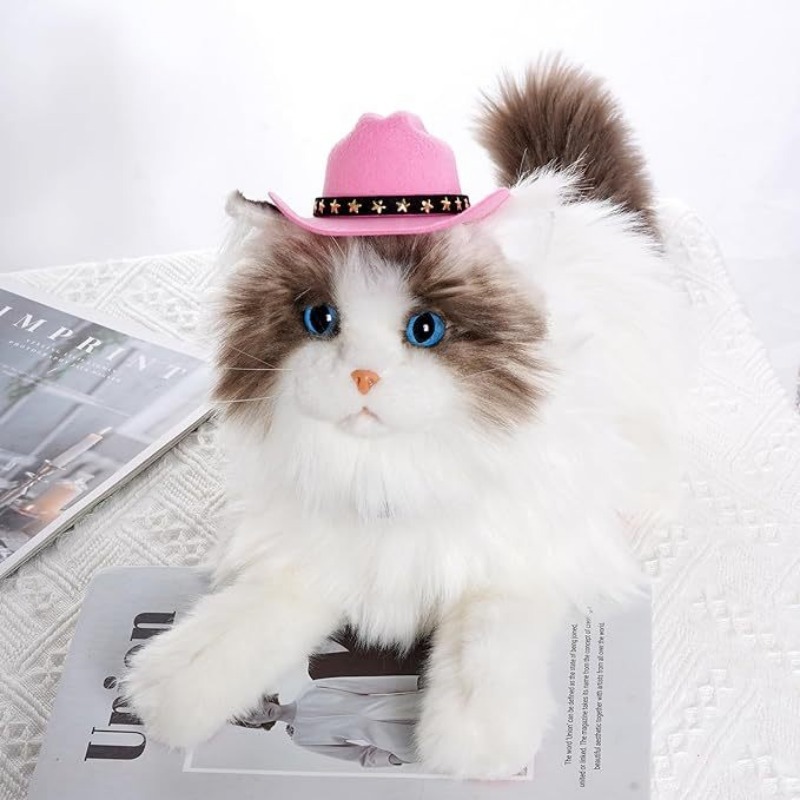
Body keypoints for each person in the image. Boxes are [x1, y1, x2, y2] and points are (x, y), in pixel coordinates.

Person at [233, 674, 421, 768]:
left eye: (253, 706)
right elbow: (360, 756)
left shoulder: (313, 689)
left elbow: (372, 685)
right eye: (252, 717)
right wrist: (393, 759)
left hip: (404, 706)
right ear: (256, 724)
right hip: (400, 742)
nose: (260, 713)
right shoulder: (303, 738)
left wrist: (415, 682)